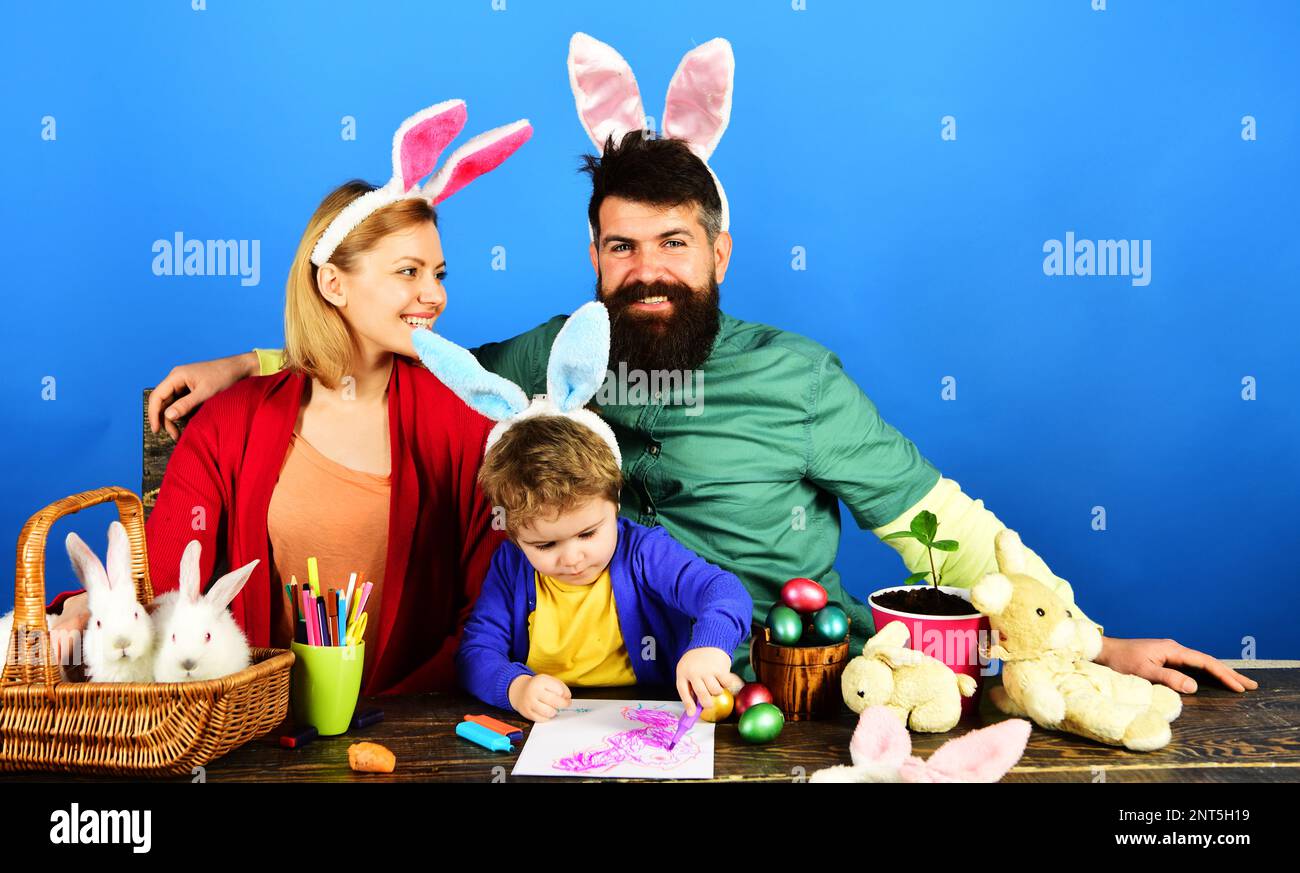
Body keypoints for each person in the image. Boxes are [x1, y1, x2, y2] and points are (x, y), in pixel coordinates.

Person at [131, 37, 1257, 697]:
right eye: (621, 245)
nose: (646, 269)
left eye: (674, 243)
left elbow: (941, 530)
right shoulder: (543, 359)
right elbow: (400, 356)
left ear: (719, 250)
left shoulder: (798, 379)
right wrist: (253, 358)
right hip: (578, 703)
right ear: (593, 257)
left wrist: (1086, 642)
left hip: (784, 692)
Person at [47, 101, 531, 695]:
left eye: (440, 273)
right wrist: (85, 608)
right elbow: (160, 574)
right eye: (408, 272)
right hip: (251, 732)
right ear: (333, 283)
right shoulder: (232, 420)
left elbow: (490, 601)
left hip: (412, 728)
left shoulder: (463, 419)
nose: (434, 295)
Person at [415, 302, 752, 721]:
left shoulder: (644, 552)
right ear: (514, 533)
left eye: (588, 534)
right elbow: (476, 653)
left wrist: (709, 646)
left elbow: (723, 591)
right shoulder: (510, 567)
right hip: (553, 729)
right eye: (545, 544)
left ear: (614, 502)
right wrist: (515, 687)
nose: (571, 558)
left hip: (649, 718)